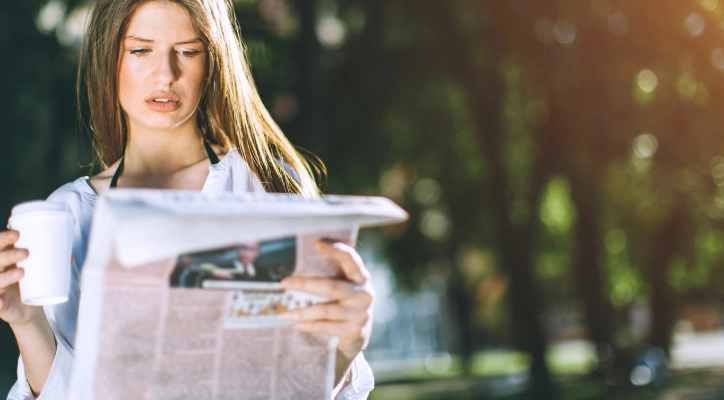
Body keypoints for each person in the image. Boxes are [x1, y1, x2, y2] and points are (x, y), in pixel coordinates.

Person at [0, 0, 375, 398]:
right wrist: (25, 321)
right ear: (108, 59)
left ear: (211, 63)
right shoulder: (67, 214)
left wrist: (346, 346)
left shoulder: (267, 185)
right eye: (141, 50)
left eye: (187, 51)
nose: (166, 74)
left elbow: (304, 386)